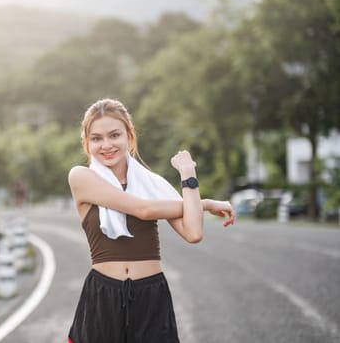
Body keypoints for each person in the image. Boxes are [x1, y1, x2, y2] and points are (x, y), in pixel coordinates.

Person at [67, 99, 235, 343]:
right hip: (103, 296)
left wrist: (188, 174)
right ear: (86, 142)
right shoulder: (82, 177)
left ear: (130, 136)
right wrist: (205, 204)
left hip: (151, 296)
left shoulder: (154, 184)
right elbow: (143, 210)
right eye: (96, 138)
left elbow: (193, 232)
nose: (106, 145)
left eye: (115, 135)